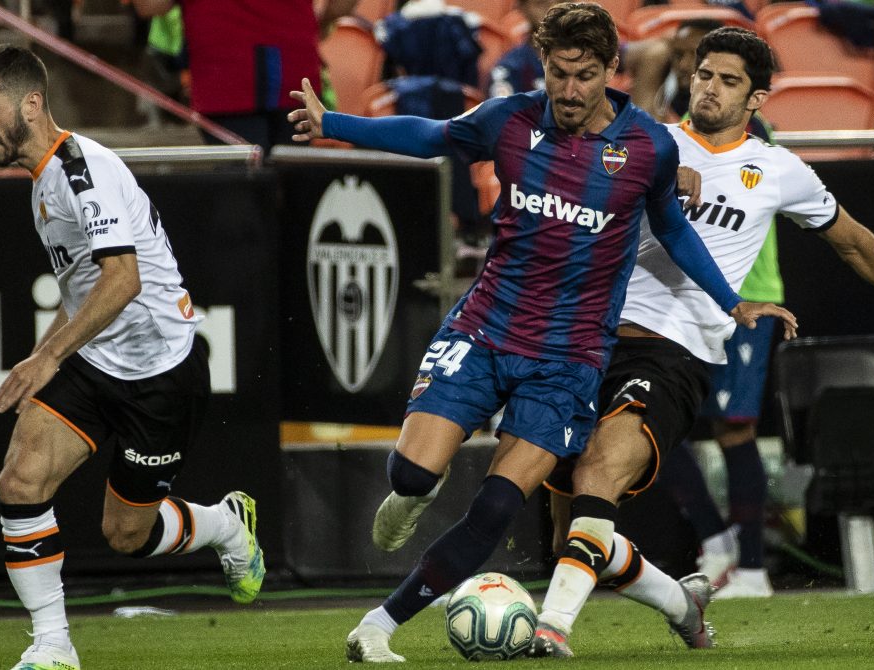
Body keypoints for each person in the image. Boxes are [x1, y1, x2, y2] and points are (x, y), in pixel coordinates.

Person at [287, 2, 794, 663]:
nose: (569, 91)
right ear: (542, 67)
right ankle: (416, 490)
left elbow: (671, 229)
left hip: (569, 360)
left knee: (498, 507)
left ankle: (377, 627)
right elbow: (432, 135)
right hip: (486, 328)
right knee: (412, 474)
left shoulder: (648, 147)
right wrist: (335, 125)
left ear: (611, 69)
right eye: (557, 74)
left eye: (584, 76)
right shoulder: (510, 119)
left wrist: (732, 302)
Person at [531, 26, 874, 656]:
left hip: (673, 353)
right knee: (572, 537)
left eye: (729, 80)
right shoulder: (645, 143)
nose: (711, 89)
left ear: (757, 100)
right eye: (704, 75)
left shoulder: (776, 170)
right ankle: (678, 600)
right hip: (585, 342)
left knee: (599, 476)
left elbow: (850, 238)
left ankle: (550, 629)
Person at [0, 44, 265, 670]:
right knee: (19, 481)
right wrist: (44, 353)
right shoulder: (43, 179)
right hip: (95, 362)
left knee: (127, 534)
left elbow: (122, 280)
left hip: (162, 373)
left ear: (33, 103)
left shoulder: (79, 171)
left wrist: (47, 361)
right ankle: (54, 645)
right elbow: (85, 292)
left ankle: (228, 525)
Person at [130, 0, 324, 155]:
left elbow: (149, 5)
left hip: (226, 80)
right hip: (293, 68)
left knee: (243, 191)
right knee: (296, 187)